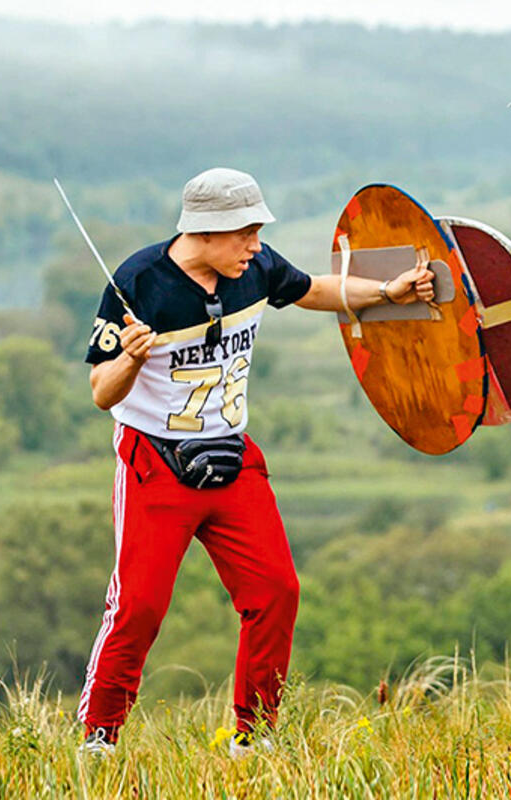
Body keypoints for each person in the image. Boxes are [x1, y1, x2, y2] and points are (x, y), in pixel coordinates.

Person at [77, 167, 434, 755]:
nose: (256, 244)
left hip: (234, 457)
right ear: (205, 232)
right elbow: (101, 390)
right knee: (138, 606)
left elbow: (312, 289)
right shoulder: (138, 281)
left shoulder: (255, 267)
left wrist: (384, 293)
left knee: (276, 592)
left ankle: (255, 736)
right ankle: (100, 736)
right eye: (245, 232)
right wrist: (132, 360)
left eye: (258, 231)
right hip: (155, 465)